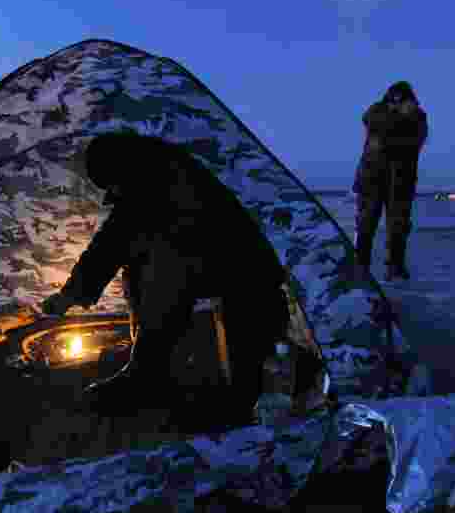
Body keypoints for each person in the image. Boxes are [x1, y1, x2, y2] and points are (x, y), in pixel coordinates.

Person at [41, 132, 289, 429]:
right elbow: (118, 240)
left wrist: (72, 294)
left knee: (164, 267)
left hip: (247, 267)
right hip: (216, 259)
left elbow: (115, 239)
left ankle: (214, 396)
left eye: (113, 185)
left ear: (124, 170)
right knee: (145, 264)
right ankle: (149, 372)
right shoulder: (155, 170)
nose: (114, 192)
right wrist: (74, 293)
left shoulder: (167, 178)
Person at [351, 81, 429, 281]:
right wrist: (397, 118)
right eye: (394, 99)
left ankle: (395, 266)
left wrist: (399, 122)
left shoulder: (418, 117)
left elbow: (411, 143)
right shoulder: (376, 112)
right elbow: (372, 122)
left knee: (399, 226)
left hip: (401, 182)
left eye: (403, 99)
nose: (399, 103)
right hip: (372, 179)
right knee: (365, 224)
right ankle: (360, 265)